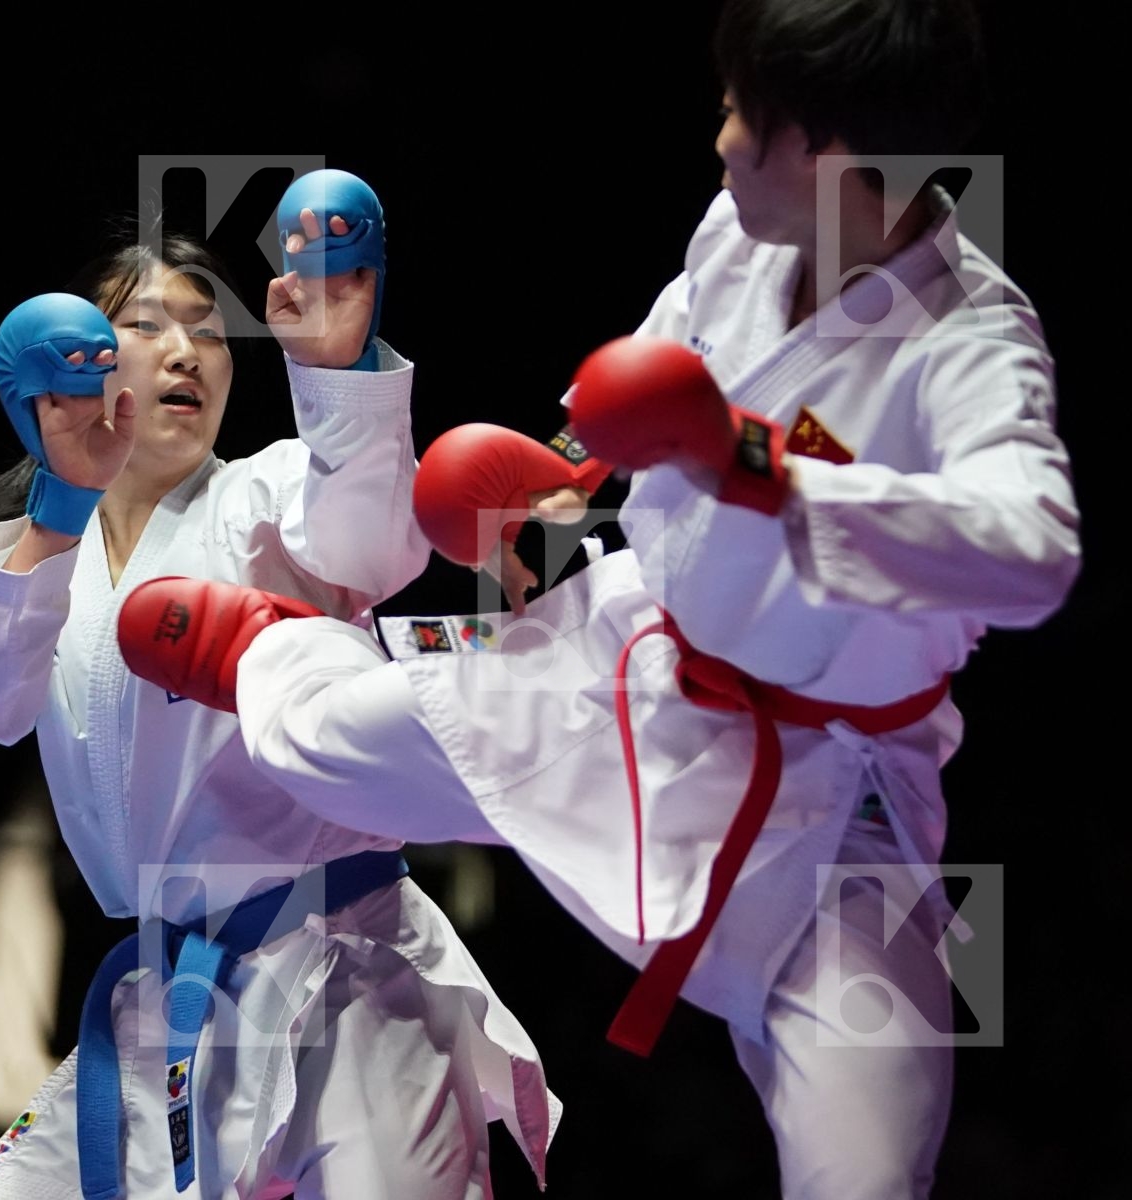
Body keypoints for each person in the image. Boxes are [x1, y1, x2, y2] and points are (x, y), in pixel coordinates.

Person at [115, 4, 1081, 1197]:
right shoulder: (746, 227)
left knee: (869, 1169)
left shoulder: (973, 337)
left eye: (746, 117)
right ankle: (270, 646)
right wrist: (568, 469)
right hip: (629, 670)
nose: (721, 139)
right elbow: (663, 358)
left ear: (828, 154)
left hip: (828, 800)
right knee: (329, 743)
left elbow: (1036, 553)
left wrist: (752, 463)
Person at [0, 170, 558, 1200]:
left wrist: (339, 371)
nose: (185, 351)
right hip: (167, 1008)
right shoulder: (44, 558)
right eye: (147, 326)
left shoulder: (268, 495)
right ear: (74, 367)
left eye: (208, 332)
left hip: (350, 987)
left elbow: (369, 536)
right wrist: (58, 503)